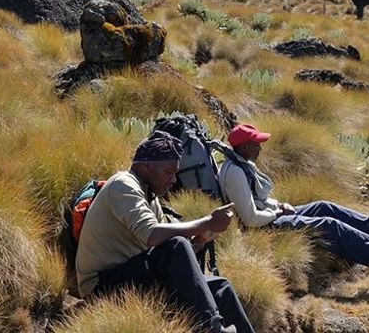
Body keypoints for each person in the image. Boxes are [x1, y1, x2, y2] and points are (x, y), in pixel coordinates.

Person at [75, 130, 254, 333]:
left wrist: (198, 241)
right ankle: (212, 328)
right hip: (100, 288)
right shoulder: (123, 184)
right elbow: (153, 236)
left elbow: (165, 250)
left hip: (132, 276)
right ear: (146, 166)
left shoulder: (151, 197)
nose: (173, 180)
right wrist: (208, 221)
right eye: (169, 172)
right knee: (176, 245)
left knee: (221, 288)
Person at [218, 123, 369, 269]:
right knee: (329, 226)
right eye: (256, 143)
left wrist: (279, 205)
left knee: (323, 206)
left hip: (266, 218)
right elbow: (250, 219)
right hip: (259, 228)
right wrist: (276, 214)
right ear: (244, 147)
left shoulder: (241, 164)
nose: (260, 147)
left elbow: (257, 199)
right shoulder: (235, 172)